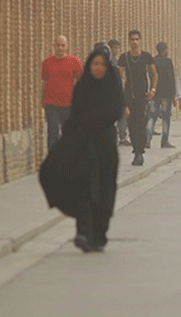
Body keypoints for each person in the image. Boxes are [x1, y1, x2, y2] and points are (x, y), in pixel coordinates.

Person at [40, 47, 125, 253]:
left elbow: (115, 111)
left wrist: (90, 120)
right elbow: (74, 114)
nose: (98, 68)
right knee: (84, 186)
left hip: (104, 146)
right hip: (84, 145)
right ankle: (83, 232)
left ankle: (99, 235)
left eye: (102, 64)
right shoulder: (83, 86)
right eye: (95, 64)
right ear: (89, 65)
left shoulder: (113, 85)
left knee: (103, 189)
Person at [118, 30, 158, 166]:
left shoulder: (147, 56)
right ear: (128, 41)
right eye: (132, 39)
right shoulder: (124, 57)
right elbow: (119, 77)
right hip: (129, 95)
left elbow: (154, 74)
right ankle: (136, 150)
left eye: (136, 39)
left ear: (140, 40)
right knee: (131, 124)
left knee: (141, 123)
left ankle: (139, 152)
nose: (134, 42)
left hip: (143, 96)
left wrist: (153, 89)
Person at [41, 35, 83, 150]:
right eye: (58, 45)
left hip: (68, 104)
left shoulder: (74, 61)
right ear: (53, 46)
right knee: (52, 131)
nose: (60, 48)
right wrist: (41, 101)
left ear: (67, 47)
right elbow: (43, 82)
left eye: (63, 45)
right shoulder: (47, 62)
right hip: (51, 103)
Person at [146, 42, 176, 149]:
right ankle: (164, 141)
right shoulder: (168, 62)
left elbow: (150, 76)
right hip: (166, 94)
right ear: (165, 50)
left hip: (155, 93)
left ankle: (147, 139)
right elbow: (171, 78)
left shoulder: (152, 61)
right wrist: (173, 95)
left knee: (152, 116)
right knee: (166, 117)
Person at [108, 39, 128, 146]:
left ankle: (121, 136)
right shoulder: (110, 61)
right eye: (114, 48)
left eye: (117, 48)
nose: (116, 50)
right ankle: (122, 137)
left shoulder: (115, 60)